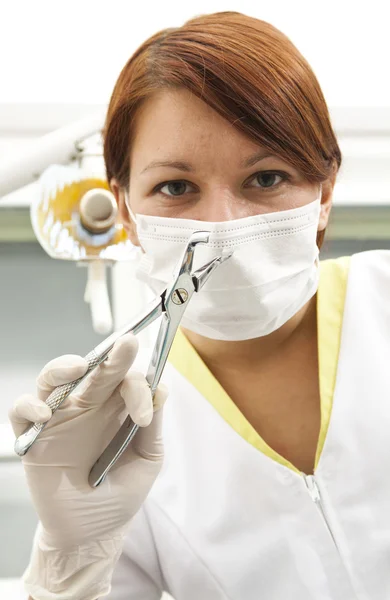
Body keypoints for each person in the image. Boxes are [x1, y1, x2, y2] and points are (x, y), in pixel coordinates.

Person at [8, 10, 390, 600]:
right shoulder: (115, 429)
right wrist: (69, 563)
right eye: (177, 187)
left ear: (324, 194)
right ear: (127, 212)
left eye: (265, 178)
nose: (221, 226)